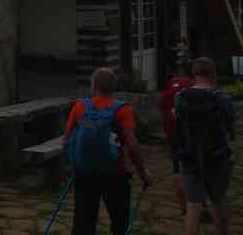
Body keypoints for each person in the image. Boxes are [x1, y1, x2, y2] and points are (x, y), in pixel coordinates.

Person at [65, 67, 151, 235]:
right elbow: (132, 145)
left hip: (85, 173)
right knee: (120, 222)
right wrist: (143, 173)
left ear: (93, 86)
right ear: (114, 88)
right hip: (115, 173)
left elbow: (67, 141)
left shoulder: (80, 107)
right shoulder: (123, 110)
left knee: (83, 223)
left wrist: (77, 161)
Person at [175, 56, 235, 235]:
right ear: (213, 74)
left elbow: (178, 125)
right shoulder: (222, 99)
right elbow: (229, 126)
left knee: (193, 206)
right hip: (217, 156)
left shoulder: (180, 97)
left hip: (190, 156)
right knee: (218, 200)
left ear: (193, 74)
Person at [158, 58, 194, 214]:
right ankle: (197, 204)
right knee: (194, 171)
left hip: (174, 133)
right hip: (192, 135)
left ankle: (183, 208)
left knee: (178, 171)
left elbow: (161, 104)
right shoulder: (195, 86)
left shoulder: (172, 84)